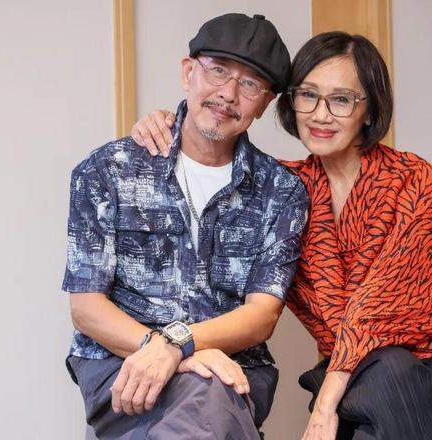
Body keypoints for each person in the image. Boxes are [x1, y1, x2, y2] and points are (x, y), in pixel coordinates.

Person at [132, 31, 432, 440]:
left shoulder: (415, 179)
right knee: (376, 381)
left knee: (389, 370)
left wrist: (325, 404)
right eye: (308, 95)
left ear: (370, 109)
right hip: (356, 381)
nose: (320, 115)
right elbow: (221, 158)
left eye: (341, 100)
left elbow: (375, 308)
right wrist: (171, 123)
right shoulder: (284, 189)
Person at [62, 13, 309, 440]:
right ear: (187, 72)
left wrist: (178, 344)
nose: (228, 94)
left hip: (232, 370)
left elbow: (261, 315)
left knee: (208, 390)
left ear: (265, 103)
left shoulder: (281, 192)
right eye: (218, 71)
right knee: (206, 392)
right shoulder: (108, 170)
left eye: (250, 84)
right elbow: (86, 307)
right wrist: (166, 351)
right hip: (120, 365)